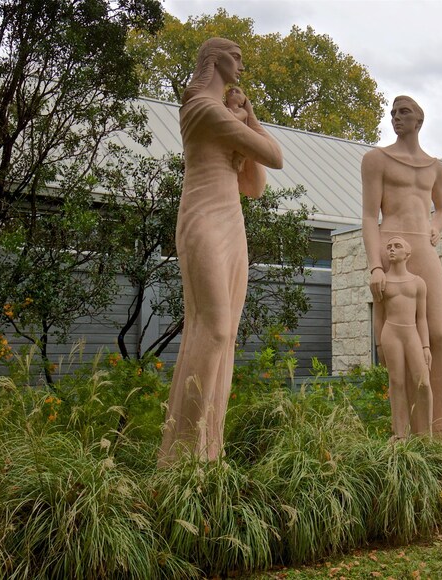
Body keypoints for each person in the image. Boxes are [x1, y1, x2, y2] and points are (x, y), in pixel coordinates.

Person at [159, 38, 283, 465]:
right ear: (212, 59)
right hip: (203, 219)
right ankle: (180, 456)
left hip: (232, 220)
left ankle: (209, 450)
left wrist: (246, 119)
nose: (241, 67)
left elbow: (254, 186)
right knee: (209, 329)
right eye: (236, 58)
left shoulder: (223, 116)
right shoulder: (200, 107)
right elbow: (275, 155)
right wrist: (251, 122)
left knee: (225, 335)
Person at [361, 95, 442, 441]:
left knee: (438, 334)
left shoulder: (434, 167)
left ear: (419, 120)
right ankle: (406, 431)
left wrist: (437, 225)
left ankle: (438, 428)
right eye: (393, 113)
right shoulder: (376, 159)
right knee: (399, 338)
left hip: (424, 249)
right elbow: (370, 216)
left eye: (404, 113)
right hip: (392, 245)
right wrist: (375, 266)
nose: (396, 118)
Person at [380, 236, 432, 439]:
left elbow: (422, 318)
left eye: (397, 246)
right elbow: (378, 315)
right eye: (389, 246)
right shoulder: (382, 281)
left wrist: (425, 346)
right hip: (390, 333)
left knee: (423, 383)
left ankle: (427, 434)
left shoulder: (418, 282)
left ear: (407, 253)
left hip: (412, 334)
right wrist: (378, 345)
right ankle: (400, 435)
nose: (391, 249)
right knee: (396, 382)